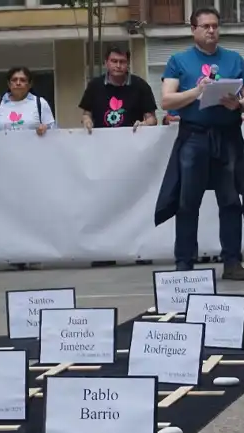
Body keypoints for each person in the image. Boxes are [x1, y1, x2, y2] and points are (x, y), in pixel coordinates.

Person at [155, 7, 244, 280]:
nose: (212, 31)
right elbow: (167, 101)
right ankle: (185, 262)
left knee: (230, 200)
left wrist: (238, 103)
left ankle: (232, 262)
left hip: (227, 136)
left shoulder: (235, 59)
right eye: (205, 26)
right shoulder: (178, 60)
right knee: (187, 201)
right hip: (194, 136)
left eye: (215, 26)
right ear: (193, 29)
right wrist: (197, 91)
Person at [80, 45, 159, 267]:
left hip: (133, 156)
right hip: (103, 155)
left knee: (135, 201)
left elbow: (152, 117)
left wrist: (144, 124)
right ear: (106, 62)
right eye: (114, 61)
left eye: (122, 62)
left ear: (128, 64)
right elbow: (86, 112)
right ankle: (104, 251)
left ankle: (139, 250)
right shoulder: (95, 86)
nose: (118, 66)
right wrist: (86, 121)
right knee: (104, 203)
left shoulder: (140, 86)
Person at [0, 66, 57, 270]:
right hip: (7, 168)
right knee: (11, 210)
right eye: (14, 80)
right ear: (8, 83)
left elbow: (54, 129)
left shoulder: (39, 104)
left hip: (33, 168)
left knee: (32, 210)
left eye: (22, 80)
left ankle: (35, 251)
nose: (18, 83)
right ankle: (15, 252)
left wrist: (45, 129)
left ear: (29, 84)